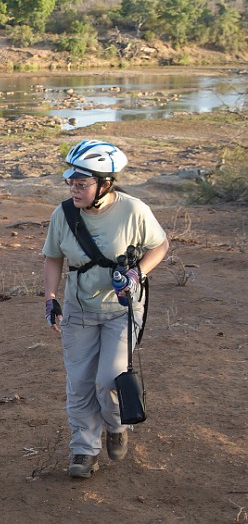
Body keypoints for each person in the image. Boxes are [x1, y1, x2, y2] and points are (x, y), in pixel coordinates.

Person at [42, 140, 169, 479]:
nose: (74, 189)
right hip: (78, 309)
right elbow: (54, 256)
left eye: (81, 184)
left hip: (121, 310)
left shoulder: (133, 210)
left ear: (104, 184)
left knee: (108, 379)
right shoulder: (63, 214)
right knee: (80, 383)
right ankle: (84, 450)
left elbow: (160, 245)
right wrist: (51, 297)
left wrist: (136, 272)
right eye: (71, 181)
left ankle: (115, 426)